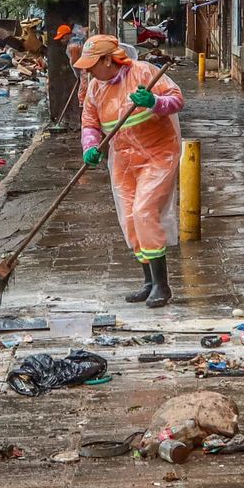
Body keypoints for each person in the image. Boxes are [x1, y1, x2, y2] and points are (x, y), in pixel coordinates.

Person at [77, 34, 184, 308]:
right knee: (129, 218)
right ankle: (148, 281)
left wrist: (153, 103)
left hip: (158, 153)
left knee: (144, 211)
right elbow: (90, 122)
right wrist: (91, 145)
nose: (88, 71)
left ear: (108, 60)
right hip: (124, 159)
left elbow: (176, 99)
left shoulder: (143, 72)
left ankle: (162, 284)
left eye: (92, 65)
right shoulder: (95, 88)